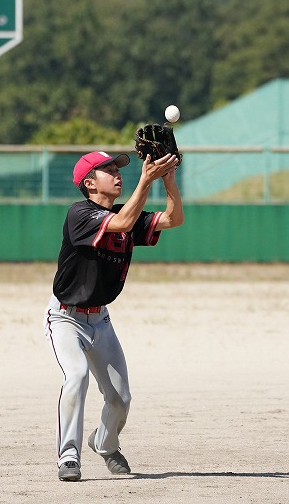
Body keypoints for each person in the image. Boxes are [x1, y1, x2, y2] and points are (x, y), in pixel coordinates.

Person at [44, 149, 184, 482]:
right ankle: (69, 456)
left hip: (101, 320)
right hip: (66, 319)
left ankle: (104, 443)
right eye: (108, 170)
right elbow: (120, 224)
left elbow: (173, 219)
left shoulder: (126, 214)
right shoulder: (79, 213)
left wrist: (169, 182)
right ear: (89, 183)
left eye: (117, 168)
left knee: (120, 399)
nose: (117, 173)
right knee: (76, 376)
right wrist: (146, 181)